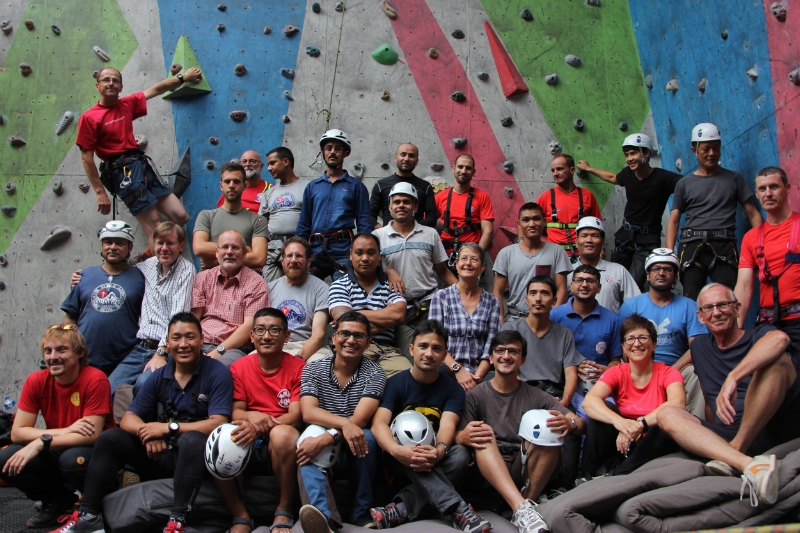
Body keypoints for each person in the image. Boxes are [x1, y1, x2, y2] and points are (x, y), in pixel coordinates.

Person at [55, 312, 233, 533]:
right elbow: (129, 418)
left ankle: (177, 521)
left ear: (201, 339)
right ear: (167, 342)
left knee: (192, 439)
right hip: (163, 454)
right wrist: (148, 432)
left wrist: (168, 429)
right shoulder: (160, 375)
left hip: (199, 459)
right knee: (111, 438)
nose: (183, 344)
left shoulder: (217, 372)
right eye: (176, 338)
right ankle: (89, 517)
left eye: (190, 337)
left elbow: (218, 422)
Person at [657, 283, 800, 507]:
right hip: (726, 434)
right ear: (700, 316)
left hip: (770, 428)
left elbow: (780, 339)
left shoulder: (759, 334)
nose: (716, 312)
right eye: (709, 308)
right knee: (667, 414)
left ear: (737, 309)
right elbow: (707, 400)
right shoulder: (699, 347)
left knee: (777, 361)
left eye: (723, 305)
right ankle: (748, 464)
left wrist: (734, 377)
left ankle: (735, 451)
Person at [369, 320, 492, 532]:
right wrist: (396, 450)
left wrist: (440, 450)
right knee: (410, 442)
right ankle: (458, 510)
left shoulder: (453, 389)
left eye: (436, 348)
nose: (429, 353)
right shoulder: (395, 383)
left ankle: (401, 508)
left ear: (444, 354)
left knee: (460, 455)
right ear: (411, 349)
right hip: (398, 459)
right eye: (423, 346)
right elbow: (378, 423)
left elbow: (447, 426)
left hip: (433, 456)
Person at [456, 330, 584, 531]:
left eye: (513, 351)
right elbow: (454, 436)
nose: (506, 356)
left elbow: (580, 423)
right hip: (487, 469)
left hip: (523, 469)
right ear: (491, 358)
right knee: (482, 432)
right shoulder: (475, 396)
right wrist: (462, 437)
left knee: (549, 428)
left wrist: (570, 424)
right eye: (500, 350)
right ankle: (521, 508)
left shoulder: (536, 395)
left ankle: (525, 509)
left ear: (523, 360)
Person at [0, 326, 114, 529]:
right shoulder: (36, 380)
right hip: (59, 446)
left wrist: (40, 442)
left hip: (95, 453)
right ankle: (58, 499)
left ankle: (97, 505)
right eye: (48, 351)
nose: (53, 357)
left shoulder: (95, 379)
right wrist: (63, 431)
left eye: (62, 350)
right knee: (4, 458)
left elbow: (92, 435)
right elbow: (17, 432)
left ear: (79, 353)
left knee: (71, 460)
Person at [76, 66, 197, 254]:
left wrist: (182, 78)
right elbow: (86, 158)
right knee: (154, 227)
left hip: (140, 165)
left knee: (180, 216)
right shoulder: (89, 117)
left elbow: (157, 89)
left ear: (121, 87)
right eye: (106, 80)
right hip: (122, 173)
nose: (111, 83)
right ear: (97, 85)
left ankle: (149, 255)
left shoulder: (127, 104)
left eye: (115, 80)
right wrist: (100, 192)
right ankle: (158, 270)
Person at [297, 311, 387, 532]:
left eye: (359, 336)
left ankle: (361, 514)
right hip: (324, 446)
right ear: (334, 337)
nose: (350, 340)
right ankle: (323, 518)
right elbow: (308, 412)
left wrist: (330, 436)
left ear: (368, 343)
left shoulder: (375, 374)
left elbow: (360, 420)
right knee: (309, 438)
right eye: (344, 334)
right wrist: (344, 425)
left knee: (366, 436)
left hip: (354, 449)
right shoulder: (313, 368)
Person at [217, 308, 305, 533]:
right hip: (248, 436)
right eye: (260, 330)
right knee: (223, 438)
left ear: (287, 336)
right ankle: (241, 517)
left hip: (280, 435)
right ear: (251, 336)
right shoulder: (239, 367)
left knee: (282, 434)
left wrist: (260, 426)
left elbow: (295, 416)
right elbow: (236, 413)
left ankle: (284, 509)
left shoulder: (299, 367)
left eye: (275, 330)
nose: (266, 336)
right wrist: (251, 417)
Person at [501, 275, 583, 493]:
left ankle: (563, 487)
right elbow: (504, 366)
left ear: (554, 300)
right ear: (526, 299)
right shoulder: (512, 328)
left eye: (545, 293)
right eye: (533, 293)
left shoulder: (563, 334)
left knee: (567, 425)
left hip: (553, 393)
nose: (538, 298)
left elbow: (570, 372)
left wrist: (564, 401)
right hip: (520, 390)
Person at [665, 123, 763, 300]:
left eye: (716, 148)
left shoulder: (734, 179)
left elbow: (753, 214)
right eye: (706, 149)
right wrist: (669, 255)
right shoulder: (684, 184)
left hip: (724, 244)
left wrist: (761, 246)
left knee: (728, 299)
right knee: (692, 300)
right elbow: (674, 220)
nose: (712, 153)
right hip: (691, 245)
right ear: (694, 150)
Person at [581, 314, 685, 478]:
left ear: (654, 344)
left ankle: (620, 474)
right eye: (630, 339)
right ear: (623, 346)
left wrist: (639, 425)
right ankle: (589, 475)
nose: (636, 344)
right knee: (603, 410)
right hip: (622, 443)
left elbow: (677, 404)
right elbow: (589, 402)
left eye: (643, 338)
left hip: (652, 444)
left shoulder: (669, 372)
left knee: (666, 421)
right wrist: (621, 423)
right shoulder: (616, 372)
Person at [577, 134, 683, 289]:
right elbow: (613, 177)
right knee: (612, 281)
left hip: (647, 240)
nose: (629, 159)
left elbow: (688, 185)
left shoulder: (663, 178)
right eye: (627, 155)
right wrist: (588, 169)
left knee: (633, 284)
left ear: (646, 153)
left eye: (633, 153)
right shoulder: (628, 174)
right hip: (625, 236)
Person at [618, 249, 707, 417]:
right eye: (656, 268)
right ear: (648, 275)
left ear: (676, 277)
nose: (661, 273)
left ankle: (694, 425)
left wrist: (671, 372)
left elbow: (697, 345)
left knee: (696, 371)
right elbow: (622, 345)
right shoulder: (631, 306)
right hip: (638, 368)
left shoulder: (689, 306)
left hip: (676, 368)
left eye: (668, 269)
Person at [61, 221, 145, 393]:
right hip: (85, 357)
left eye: (119, 243)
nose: (113, 247)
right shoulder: (84, 276)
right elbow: (70, 317)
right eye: (108, 242)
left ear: (130, 247)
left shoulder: (141, 278)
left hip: (123, 360)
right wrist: (65, 344)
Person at [374, 182, 457, 355]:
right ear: (389, 206)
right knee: (412, 358)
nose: (401, 205)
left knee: (435, 355)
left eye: (406, 201)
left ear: (415, 206)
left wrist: (465, 292)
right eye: (396, 202)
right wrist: (388, 271)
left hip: (430, 305)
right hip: (398, 310)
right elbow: (368, 272)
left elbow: (442, 271)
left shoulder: (430, 234)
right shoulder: (378, 236)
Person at [735, 166, 800, 355]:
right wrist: (735, 331)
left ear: (787, 188)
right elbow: (744, 287)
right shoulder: (751, 238)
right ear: (756, 194)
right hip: (768, 324)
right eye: (762, 189)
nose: (768, 193)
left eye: (774, 187)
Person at [328, 233, 412, 377]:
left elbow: (398, 315)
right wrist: (386, 320)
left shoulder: (392, 284)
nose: (365, 258)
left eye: (371, 253)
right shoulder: (339, 285)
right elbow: (345, 325)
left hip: (386, 352)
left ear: (379, 255)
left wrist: (354, 314)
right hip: (350, 348)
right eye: (359, 253)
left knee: (407, 378)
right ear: (351, 255)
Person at [296, 129, 372, 280]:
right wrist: (297, 249)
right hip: (315, 252)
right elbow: (304, 222)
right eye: (328, 148)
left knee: (344, 291)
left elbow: (364, 223)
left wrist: (363, 251)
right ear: (323, 152)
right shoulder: (312, 187)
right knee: (306, 289)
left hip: (344, 251)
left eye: (338, 148)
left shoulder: (356, 187)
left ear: (345, 153)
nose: (332, 152)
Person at [550, 264, 622, 420]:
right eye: (579, 280)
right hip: (560, 384)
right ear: (572, 285)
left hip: (596, 386)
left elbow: (615, 360)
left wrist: (607, 370)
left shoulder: (612, 320)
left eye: (590, 281)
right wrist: (571, 367)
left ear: (599, 288)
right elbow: (546, 356)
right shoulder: (554, 316)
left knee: (606, 414)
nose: (584, 285)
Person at [192, 230, 270, 368]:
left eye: (235, 248)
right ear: (216, 252)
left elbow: (249, 326)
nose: (229, 252)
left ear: (245, 253)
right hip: (200, 343)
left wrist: (219, 350)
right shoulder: (202, 278)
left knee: (217, 370)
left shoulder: (256, 283)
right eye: (225, 247)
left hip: (233, 349)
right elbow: (193, 319)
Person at [429, 243, 500, 391]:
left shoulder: (492, 302)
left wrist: (476, 377)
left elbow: (491, 345)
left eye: (474, 259)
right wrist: (458, 370)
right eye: (464, 258)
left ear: (482, 267)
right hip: (447, 368)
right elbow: (434, 340)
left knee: (499, 383)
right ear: (456, 264)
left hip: (479, 373)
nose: (468, 263)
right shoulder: (441, 297)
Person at [493, 202, 572, 322]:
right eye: (526, 220)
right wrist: (501, 321)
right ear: (519, 224)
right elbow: (497, 292)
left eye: (536, 219)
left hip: (545, 321)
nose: (532, 224)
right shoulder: (506, 253)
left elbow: (561, 290)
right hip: (515, 320)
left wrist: (552, 319)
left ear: (544, 221)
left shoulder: (557, 252)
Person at [193, 161, 268, 271]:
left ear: (245, 185)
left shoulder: (258, 220)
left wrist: (217, 261)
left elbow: (259, 259)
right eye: (227, 181)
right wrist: (244, 250)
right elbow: (199, 248)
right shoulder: (206, 216)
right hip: (211, 280)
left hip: (245, 280)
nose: (231, 185)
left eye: (236, 181)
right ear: (221, 186)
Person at [435, 154, 495, 292]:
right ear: (453, 168)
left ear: (473, 172)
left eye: (468, 168)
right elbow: (426, 225)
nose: (463, 171)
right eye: (460, 167)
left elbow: (488, 230)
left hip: (470, 258)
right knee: (444, 297)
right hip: (445, 257)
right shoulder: (440, 197)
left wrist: (476, 256)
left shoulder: (482, 197)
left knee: (470, 297)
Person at [268, 237, 331, 361]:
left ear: (308, 262)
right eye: (289, 256)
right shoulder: (269, 288)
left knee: (321, 367)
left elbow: (318, 335)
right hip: (275, 345)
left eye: (299, 256)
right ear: (282, 261)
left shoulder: (321, 288)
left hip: (308, 346)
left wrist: (297, 360)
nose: (293, 260)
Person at [536, 154, 602, 263]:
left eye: (559, 169)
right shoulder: (547, 196)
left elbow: (598, 227)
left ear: (571, 170)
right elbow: (527, 221)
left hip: (583, 257)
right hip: (555, 256)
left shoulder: (587, 195)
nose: (555, 173)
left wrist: (601, 248)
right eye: (553, 170)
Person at [567, 217, 640, 314]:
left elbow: (636, 304)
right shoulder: (567, 273)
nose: (589, 240)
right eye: (584, 236)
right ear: (576, 241)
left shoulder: (618, 271)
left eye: (594, 236)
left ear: (602, 242)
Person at [259, 147, 306, 283]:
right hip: (273, 248)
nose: (269, 168)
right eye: (268, 164)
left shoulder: (308, 187)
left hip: (298, 245)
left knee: (298, 287)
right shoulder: (269, 193)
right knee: (272, 288)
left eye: (272, 163)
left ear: (285, 162)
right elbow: (262, 224)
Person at [369, 143, 438, 229]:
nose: (406, 159)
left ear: (417, 161)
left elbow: (432, 217)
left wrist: (416, 231)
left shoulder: (425, 186)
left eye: (411, 156)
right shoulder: (381, 185)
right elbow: (370, 214)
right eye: (403, 154)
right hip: (389, 236)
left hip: (417, 235)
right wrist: (383, 231)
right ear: (396, 158)